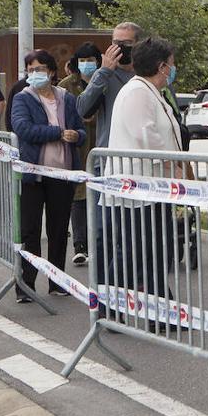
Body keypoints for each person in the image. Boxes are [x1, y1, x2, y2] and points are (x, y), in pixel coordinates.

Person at [109, 37, 182, 303]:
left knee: (152, 251)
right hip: (140, 189)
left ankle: (158, 304)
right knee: (136, 251)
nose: (173, 70)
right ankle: (113, 306)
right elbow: (146, 135)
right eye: (171, 64)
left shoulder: (149, 92)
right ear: (162, 66)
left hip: (152, 187)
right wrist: (173, 165)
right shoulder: (138, 92)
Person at [10, 50, 85, 303]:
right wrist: (57, 132)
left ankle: (57, 282)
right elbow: (23, 128)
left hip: (62, 174)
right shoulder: (23, 98)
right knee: (30, 231)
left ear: (52, 71)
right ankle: (25, 286)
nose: (36, 74)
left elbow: (80, 130)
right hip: (33, 174)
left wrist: (76, 136)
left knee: (58, 230)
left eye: (41, 69)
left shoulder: (67, 98)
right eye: (31, 69)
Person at [77, 22, 139, 283]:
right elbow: (83, 108)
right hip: (107, 167)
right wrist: (103, 71)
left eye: (126, 44)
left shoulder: (144, 76)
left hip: (139, 166)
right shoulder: (105, 75)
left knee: (136, 236)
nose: (119, 49)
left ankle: (133, 291)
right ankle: (102, 296)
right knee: (104, 233)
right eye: (115, 43)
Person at [59, 42, 103, 266]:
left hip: (101, 144)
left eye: (91, 60)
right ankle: (80, 245)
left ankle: (98, 242)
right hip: (77, 145)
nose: (87, 65)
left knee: (99, 195)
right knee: (78, 196)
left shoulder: (105, 81)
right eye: (83, 60)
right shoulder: (67, 85)